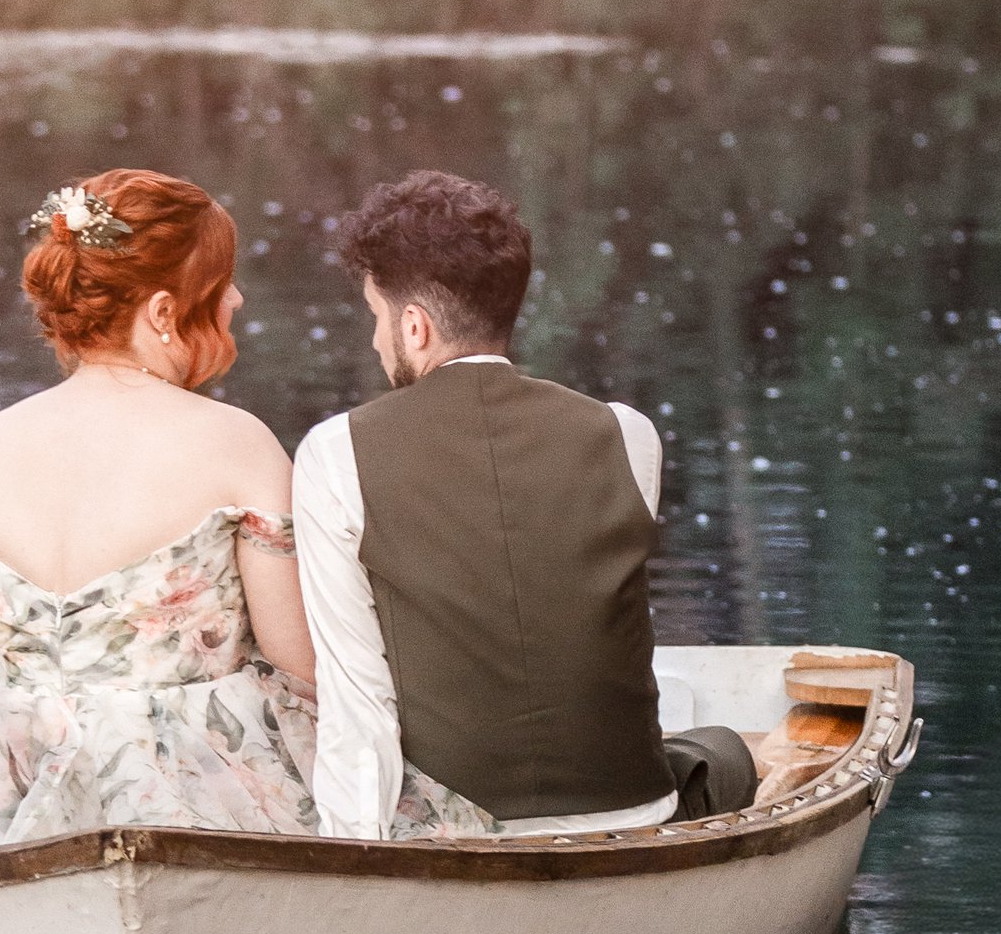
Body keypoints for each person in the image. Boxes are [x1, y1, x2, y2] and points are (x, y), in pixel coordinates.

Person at [0, 165, 479, 852]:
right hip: (186, 784)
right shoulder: (236, 445)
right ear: (163, 312)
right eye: (220, 284)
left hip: (2, 779)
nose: (235, 298)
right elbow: (301, 663)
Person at [290, 168, 781, 840]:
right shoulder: (626, 434)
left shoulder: (335, 452)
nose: (376, 342)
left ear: (414, 326)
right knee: (724, 751)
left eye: (377, 317)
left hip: (456, 827)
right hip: (630, 809)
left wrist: (357, 861)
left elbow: (358, 695)